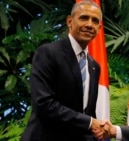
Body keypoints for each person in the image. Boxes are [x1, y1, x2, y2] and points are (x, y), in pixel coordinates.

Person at [21, 0, 108, 141]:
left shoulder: (94, 66)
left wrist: (98, 130)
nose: (89, 25)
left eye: (94, 20)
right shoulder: (48, 53)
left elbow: (86, 112)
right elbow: (44, 104)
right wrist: (90, 123)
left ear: (99, 27)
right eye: (83, 18)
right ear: (69, 21)